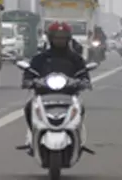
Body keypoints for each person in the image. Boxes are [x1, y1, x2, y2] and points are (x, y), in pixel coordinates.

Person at [21, 22, 91, 150]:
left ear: (68, 39)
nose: (60, 40)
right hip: (44, 94)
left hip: (69, 94)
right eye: (57, 37)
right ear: (50, 38)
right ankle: (32, 136)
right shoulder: (40, 58)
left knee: (81, 108)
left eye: (63, 37)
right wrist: (29, 81)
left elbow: (84, 75)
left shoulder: (76, 59)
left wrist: (83, 82)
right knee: (28, 107)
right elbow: (30, 73)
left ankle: (77, 138)